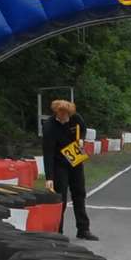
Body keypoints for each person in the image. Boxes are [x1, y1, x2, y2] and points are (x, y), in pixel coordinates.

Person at [42, 99, 95, 240]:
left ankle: (83, 229)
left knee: (80, 193)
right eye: (61, 114)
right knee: (61, 197)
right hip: (59, 163)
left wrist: (81, 139)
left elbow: (83, 128)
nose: (64, 117)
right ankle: (58, 231)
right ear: (56, 112)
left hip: (75, 159)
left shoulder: (76, 118)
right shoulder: (49, 126)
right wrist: (49, 178)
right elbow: (48, 153)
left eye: (66, 114)